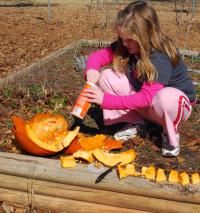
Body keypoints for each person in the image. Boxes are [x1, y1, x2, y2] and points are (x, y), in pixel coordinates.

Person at [83, 0, 196, 157]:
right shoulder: (128, 45)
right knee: (106, 76)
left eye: (129, 39)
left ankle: (169, 132)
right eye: (122, 38)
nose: (124, 43)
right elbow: (99, 56)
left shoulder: (159, 55)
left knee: (166, 97)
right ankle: (137, 122)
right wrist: (92, 69)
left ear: (144, 35)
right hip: (149, 105)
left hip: (174, 108)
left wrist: (106, 100)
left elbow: (147, 98)